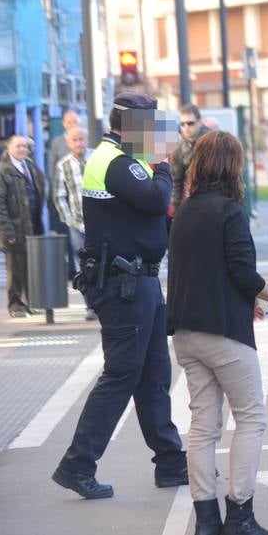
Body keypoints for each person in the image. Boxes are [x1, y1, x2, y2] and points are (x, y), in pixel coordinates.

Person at [52, 93, 187, 499]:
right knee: (122, 375)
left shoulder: (127, 159)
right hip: (123, 284)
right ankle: (78, 464)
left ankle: (170, 462)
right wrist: (163, 162)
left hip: (139, 281)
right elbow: (156, 200)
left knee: (153, 374)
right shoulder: (114, 161)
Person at [167, 132, 268, 535]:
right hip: (223, 334)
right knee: (251, 417)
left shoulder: (184, 212)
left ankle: (205, 527)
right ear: (233, 166)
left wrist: (245, 298)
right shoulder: (230, 211)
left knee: (203, 426)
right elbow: (241, 271)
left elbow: (202, 271)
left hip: (186, 333)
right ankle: (240, 519)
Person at [0, 135, 46, 317]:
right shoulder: (3, 170)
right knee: (15, 269)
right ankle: (15, 305)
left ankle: (31, 303)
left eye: (25, 146)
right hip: (14, 228)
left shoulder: (29, 166)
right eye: (18, 146)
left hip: (32, 225)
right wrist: (7, 230)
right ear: (9, 148)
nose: (22, 149)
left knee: (31, 266)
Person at [52, 127, 94, 319]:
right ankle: (90, 306)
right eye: (74, 140)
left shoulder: (96, 158)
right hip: (77, 225)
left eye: (81, 139)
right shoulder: (63, 165)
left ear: (87, 140)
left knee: (103, 262)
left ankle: (104, 303)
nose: (79, 143)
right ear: (68, 143)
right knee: (82, 266)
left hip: (99, 222)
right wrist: (69, 220)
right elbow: (59, 196)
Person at [46, 108, 83, 278]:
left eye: (75, 121)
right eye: (69, 122)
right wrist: (55, 193)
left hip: (82, 193)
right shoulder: (57, 142)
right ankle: (71, 268)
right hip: (65, 193)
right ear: (63, 124)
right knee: (68, 233)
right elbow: (52, 168)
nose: (72, 124)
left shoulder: (85, 138)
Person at [171, 103, 210, 215]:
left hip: (217, 199)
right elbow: (176, 182)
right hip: (194, 200)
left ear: (199, 122)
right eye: (182, 124)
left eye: (190, 123)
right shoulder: (179, 148)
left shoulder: (213, 142)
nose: (186, 127)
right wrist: (176, 212)